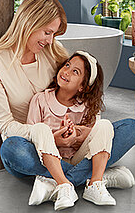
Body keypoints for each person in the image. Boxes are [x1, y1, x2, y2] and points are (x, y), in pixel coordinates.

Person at [0, 0, 135, 209]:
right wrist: (50, 139)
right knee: (11, 150)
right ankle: (96, 176)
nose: (49, 40)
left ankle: (56, 182)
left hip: (73, 146)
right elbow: (6, 126)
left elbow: (83, 90)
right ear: (29, 22)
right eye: (47, 32)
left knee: (131, 127)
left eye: (53, 34)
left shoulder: (52, 51)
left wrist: (85, 131)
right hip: (31, 146)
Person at [25, 51, 113, 208]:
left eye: (75, 71)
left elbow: (95, 137)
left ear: (82, 87)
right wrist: (55, 139)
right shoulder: (41, 100)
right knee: (39, 129)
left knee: (106, 125)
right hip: (48, 160)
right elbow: (30, 137)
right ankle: (64, 184)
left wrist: (77, 134)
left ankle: (95, 182)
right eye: (67, 65)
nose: (66, 71)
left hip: (77, 157)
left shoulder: (87, 107)